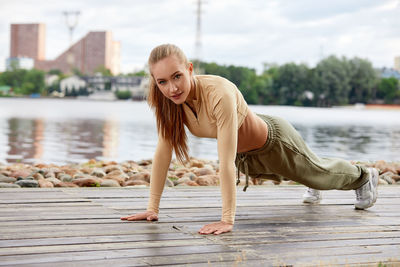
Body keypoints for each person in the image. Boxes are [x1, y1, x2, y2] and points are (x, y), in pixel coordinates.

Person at [121, 44, 379, 235]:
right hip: (247, 156)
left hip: (274, 142)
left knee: (319, 173)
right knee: (308, 171)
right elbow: (163, 153)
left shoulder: (219, 93)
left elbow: (224, 162)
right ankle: (311, 180)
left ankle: (364, 176)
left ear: (189, 69)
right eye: (163, 82)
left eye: (177, 76)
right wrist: (152, 208)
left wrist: (227, 219)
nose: (172, 88)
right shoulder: (168, 104)